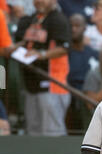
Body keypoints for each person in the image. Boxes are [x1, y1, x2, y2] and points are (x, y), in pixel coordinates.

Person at [14, 0, 71, 136]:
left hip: (52, 85)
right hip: (31, 86)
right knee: (33, 134)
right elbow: (23, 41)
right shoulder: (31, 19)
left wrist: (42, 54)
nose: (39, 1)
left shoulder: (58, 19)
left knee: (52, 135)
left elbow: (64, 48)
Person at [67, 13, 99, 131]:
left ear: (85, 28)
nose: (73, 29)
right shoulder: (64, 52)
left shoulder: (93, 53)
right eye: (71, 26)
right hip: (70, 93)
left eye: (77, 26)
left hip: (89, 93)